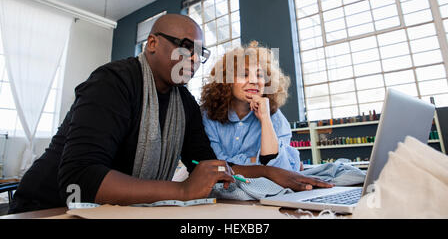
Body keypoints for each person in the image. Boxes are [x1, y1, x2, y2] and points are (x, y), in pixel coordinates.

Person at [9, 14, 332, 214]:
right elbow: (80, 176)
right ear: (152, 43)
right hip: (48, 209)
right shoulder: (113, 81)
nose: (192, 57)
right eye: (184, 45)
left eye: (199, 52)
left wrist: (270, 173)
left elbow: (202, 163)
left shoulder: (184, 103)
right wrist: (181, 190)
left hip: (111, 211)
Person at [201, 41, 302, 171]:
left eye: (259, 75)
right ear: (227, 81)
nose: (254, 81)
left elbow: (282, 169)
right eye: (244, 74)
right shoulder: (207, 114)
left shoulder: (274, 116)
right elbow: (215, 166)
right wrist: (259, 161)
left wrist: (265, 119)